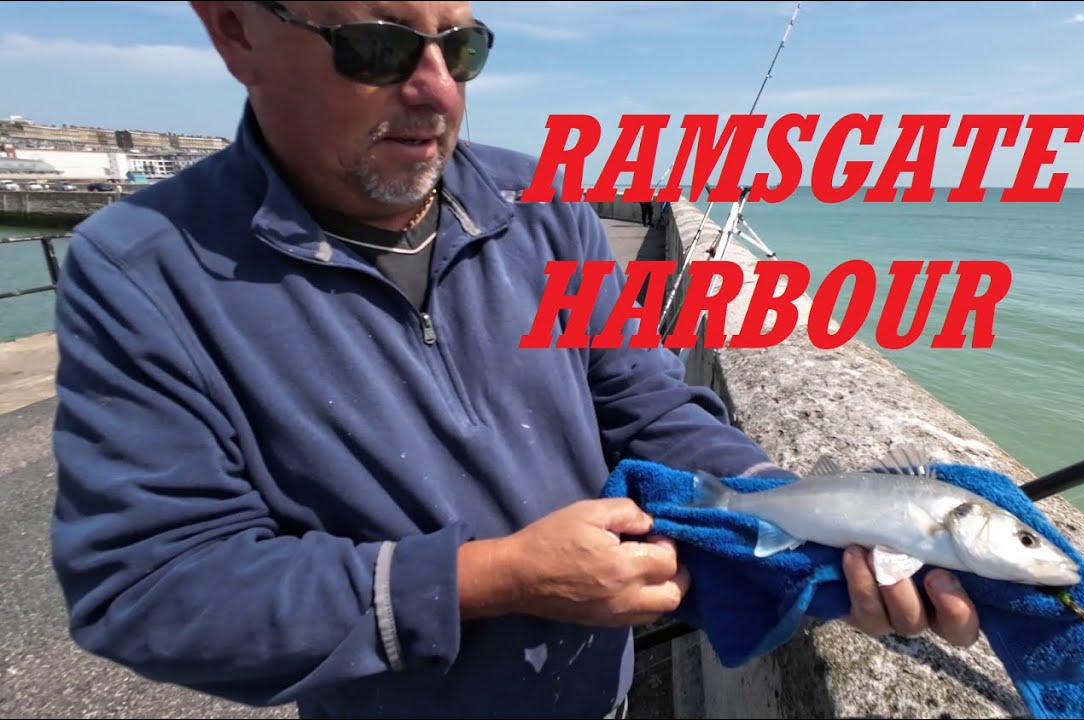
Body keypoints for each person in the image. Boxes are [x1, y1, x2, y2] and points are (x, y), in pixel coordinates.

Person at [47, 2, 980, 718]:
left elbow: (645, 403)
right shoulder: (140, 272)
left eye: (460, 48)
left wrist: (808, 518)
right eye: (377, 47)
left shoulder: (543, 204)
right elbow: (148, 587)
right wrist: (490, 577)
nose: (437, 90)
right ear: (236, 32)